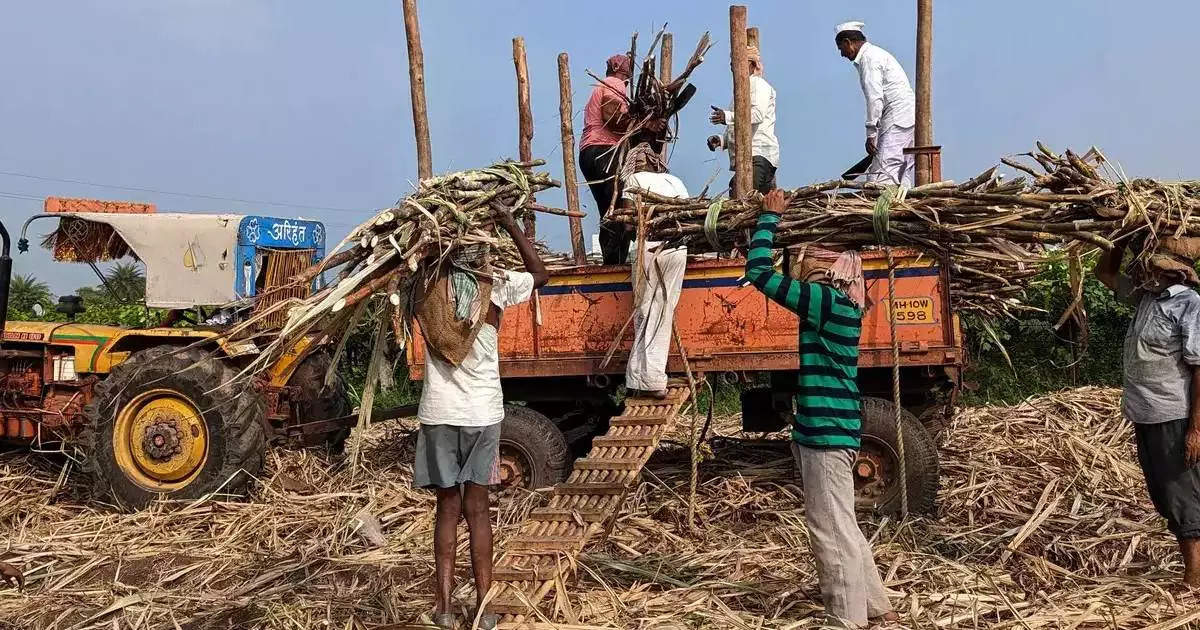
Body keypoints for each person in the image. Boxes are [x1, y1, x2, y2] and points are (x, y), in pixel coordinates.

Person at [745, 189, 897, 628]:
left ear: (833, 270)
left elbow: (758, 272)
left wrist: (769, 219)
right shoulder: (845, 305)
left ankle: (847, 619)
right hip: (833, 430)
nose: (805, 267)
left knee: (828, 530)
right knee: (843, 522)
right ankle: (878, 607)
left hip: (827, 435)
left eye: (813, 261)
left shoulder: (826, 302)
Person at [412, 209, 549, 630]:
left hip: (439, 415)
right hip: (483, 415)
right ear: (482, 255)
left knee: (447, 509)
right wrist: (510, 225)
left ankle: (444, 608)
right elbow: (540, 275)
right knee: (479, 511)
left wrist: (430, 237)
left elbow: (409, 263)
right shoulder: (497, 288)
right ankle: (485, 609)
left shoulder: (427, 287)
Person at [1096, 238, 1200, 587]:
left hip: (1173, 413)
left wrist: (1195, 430)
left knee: (1180, 492)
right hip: (1144, 412)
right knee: (1161, 492)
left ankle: (1194, 577)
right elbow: (1105, 272)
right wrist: (1119, 239)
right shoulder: (1147, 297)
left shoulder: (1189, 304)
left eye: (1153, 265)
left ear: (1172, 271)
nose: (1145, 269)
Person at [618, 143, 688, 399]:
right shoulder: (676, 182)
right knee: (661, 311)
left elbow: (627, 223)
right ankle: (640, 377)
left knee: (644, 311)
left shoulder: (634, 179)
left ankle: (648, 379)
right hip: (677, 250)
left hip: (648, 248)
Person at [835, 21, 916, 187]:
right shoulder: (875, 54)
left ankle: (885, 211)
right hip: (901, 116)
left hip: (897, 115)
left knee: (882, 175)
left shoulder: (869, 58)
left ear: (848, 43)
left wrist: (871, 133)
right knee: (900, 168)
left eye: (840, 48)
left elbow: (875, 98)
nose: (842, 54)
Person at [580, 54, 633, 264]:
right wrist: (635, 119)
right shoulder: (614, 84)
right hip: (604, 150)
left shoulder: (599, 87)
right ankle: (615, 262)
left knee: (606, 210)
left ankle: (611, 260)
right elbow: (611, 117)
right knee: (618, 208)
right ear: (622, 70)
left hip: (588, 152)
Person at [707, 44, 779, 196]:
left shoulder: (758, 84)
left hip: (758, 155)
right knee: (743, 193)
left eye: (738, 62)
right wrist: (722, 140)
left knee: (742, 195)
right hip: (748, 158)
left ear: (752, 65)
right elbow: (738, 126)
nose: (733, 67)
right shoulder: (741, 90)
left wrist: (727, 116)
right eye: (732, 63)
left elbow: (756, 114)